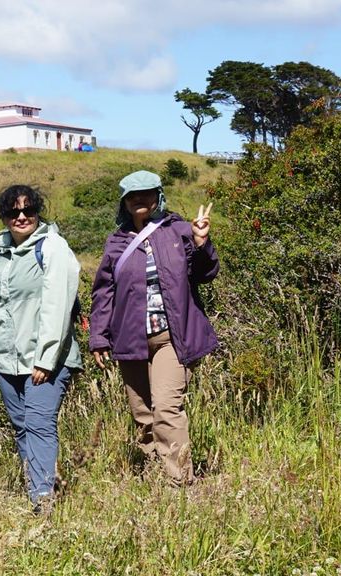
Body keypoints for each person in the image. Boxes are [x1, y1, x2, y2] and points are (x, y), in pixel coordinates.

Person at [89, 170, 218, 486]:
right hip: (130, 340)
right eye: (133, 195)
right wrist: (98, 337)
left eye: (146, 193)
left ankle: (179, 482)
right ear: (124, 202)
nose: (140, 199)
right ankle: (155, 474)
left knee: (166, 409)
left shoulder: (179, 231)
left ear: (158, 196)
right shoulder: (117, 242)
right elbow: (104, 291)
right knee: (143, 414)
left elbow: (205, 273)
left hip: (171, 339)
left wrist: (202, 244)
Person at [0, 184, 82, 511]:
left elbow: (59, 305)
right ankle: (37, 486)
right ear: (4, 215)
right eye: (14, 211)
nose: (22, 216)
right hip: (5, 361)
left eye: (28, 210)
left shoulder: (53, 247)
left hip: (46, 360)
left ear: (38, 211)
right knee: (22, 427)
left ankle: (43, 500)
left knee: (40, 424)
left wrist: (46, 358)